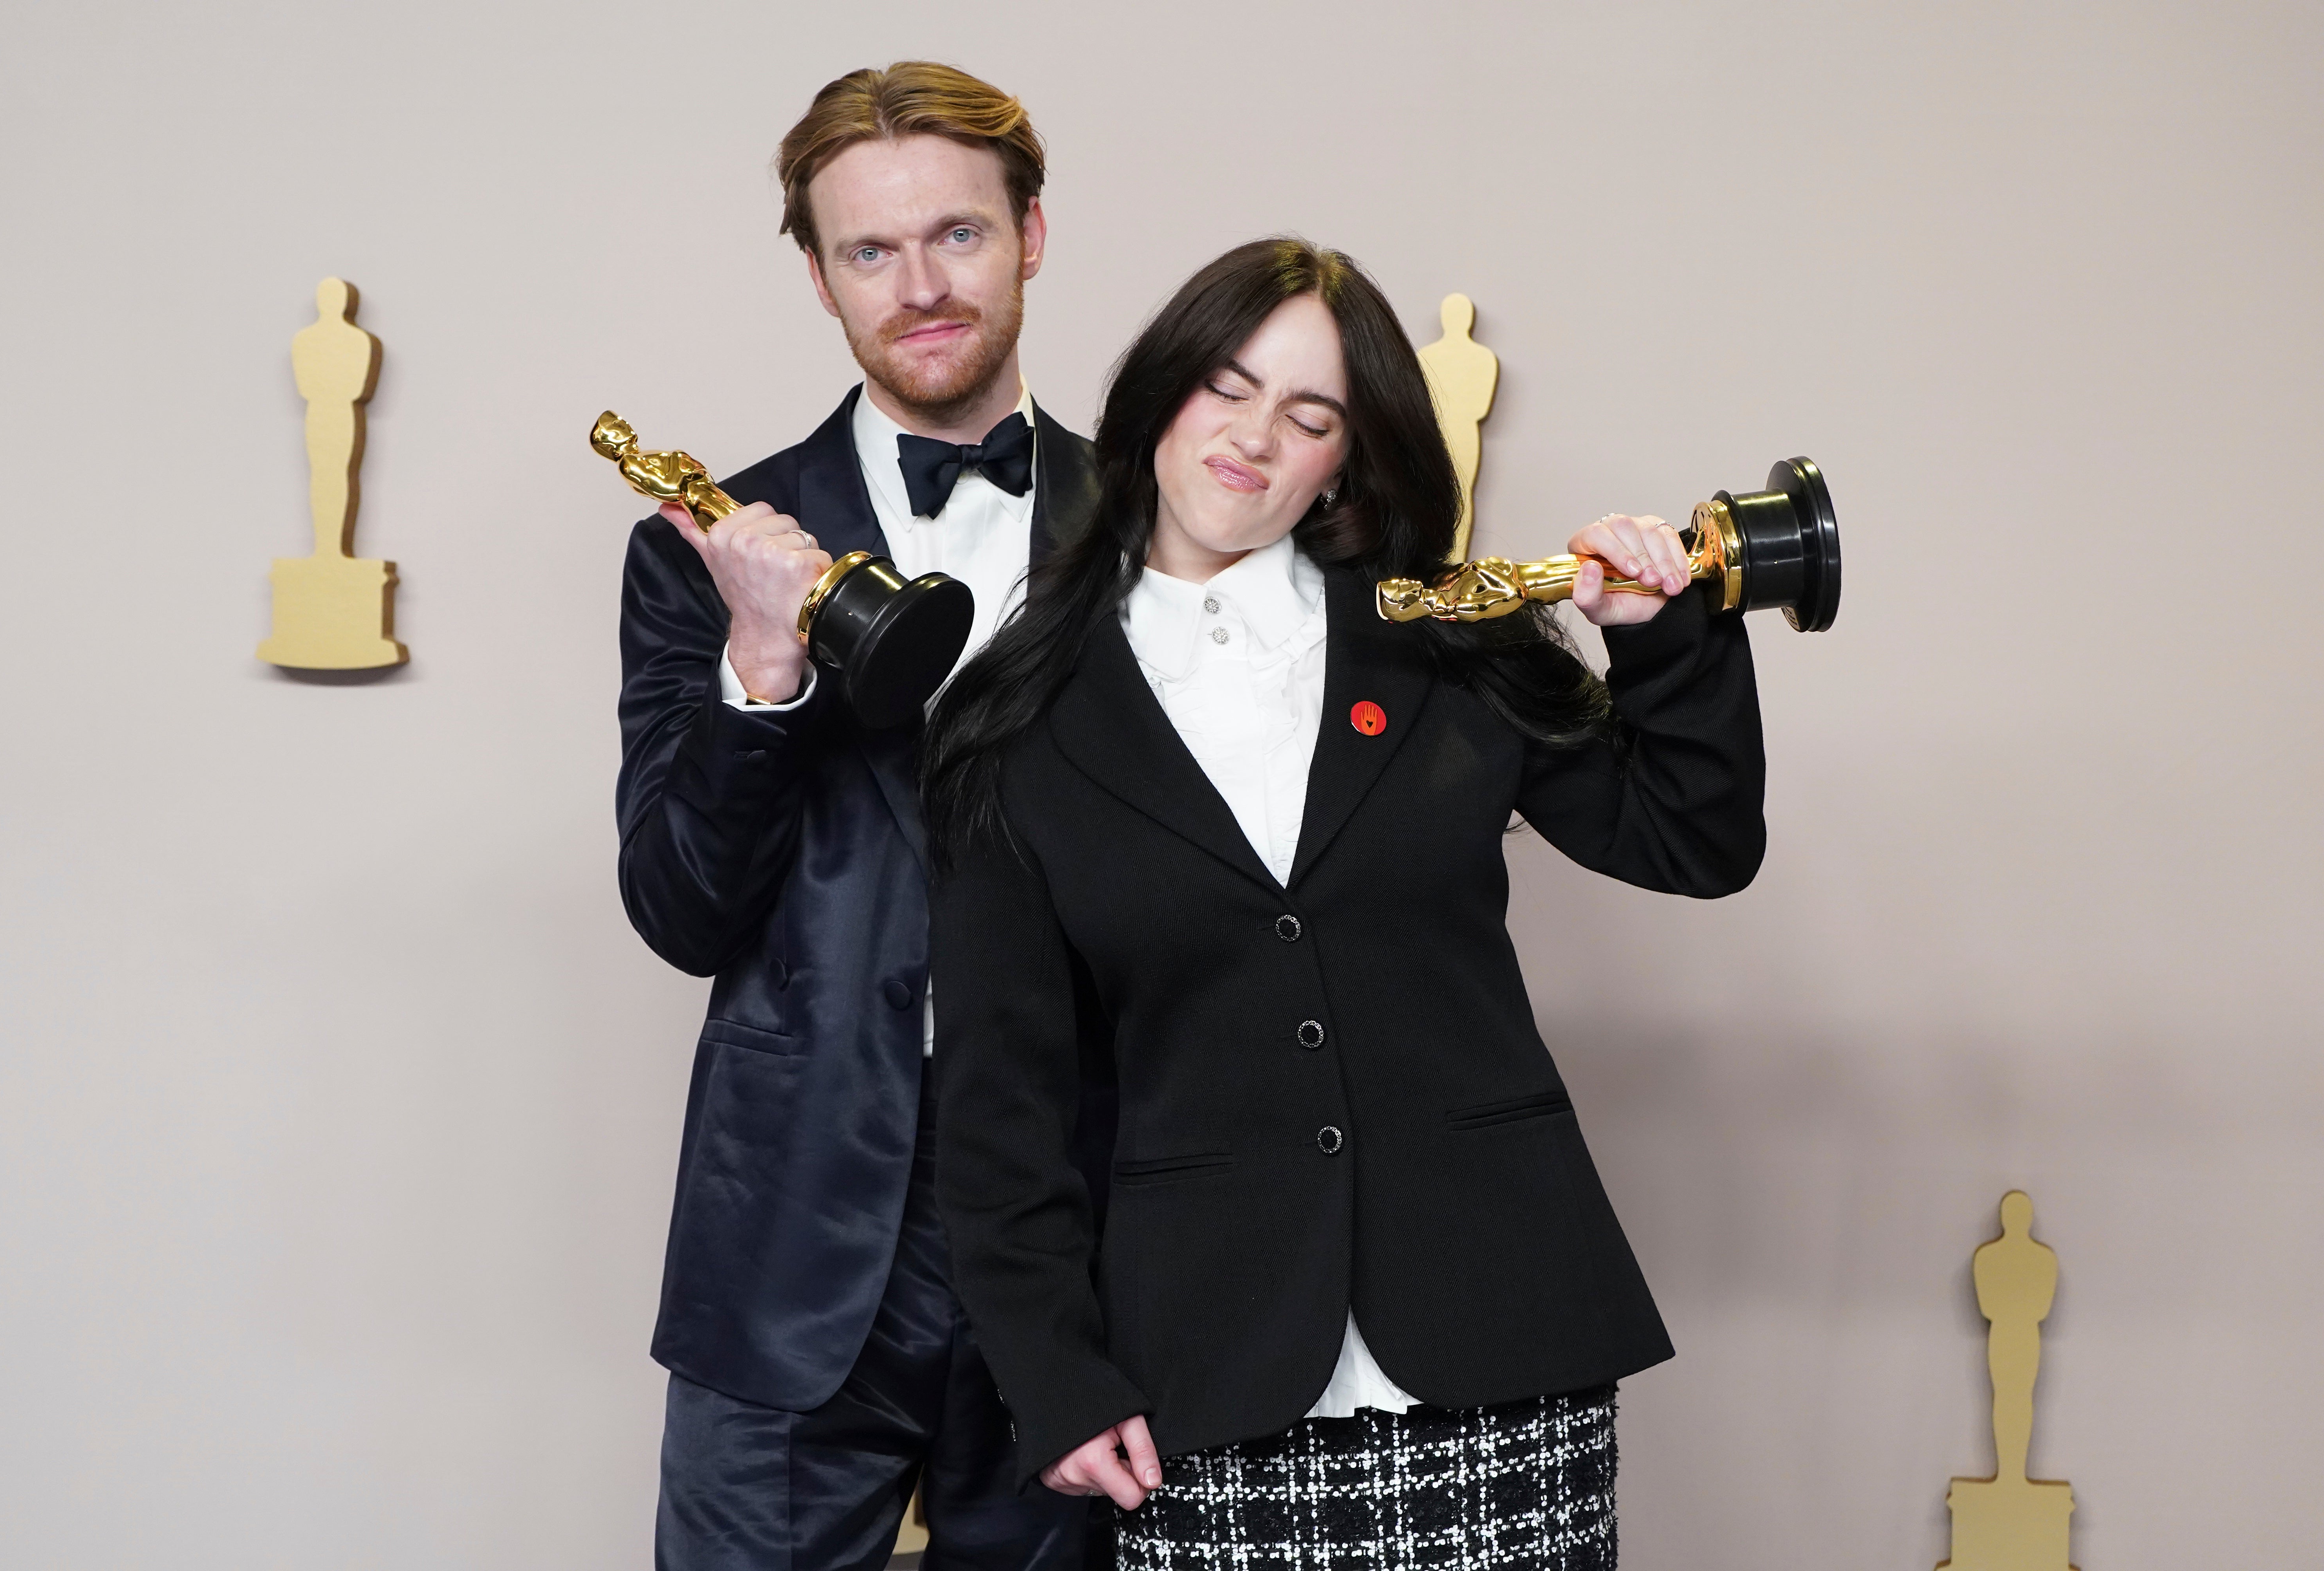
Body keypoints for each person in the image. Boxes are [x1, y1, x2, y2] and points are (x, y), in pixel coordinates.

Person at [922, 237, 1767, 1568]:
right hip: (1208, 1375)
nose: (1254, 437)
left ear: (1347, 459)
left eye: (1309, 415)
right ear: (1159, 398)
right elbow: (996, 1106)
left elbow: (1694, 839)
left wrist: (1663, 635)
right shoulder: (1011, 718)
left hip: (1500, 1353)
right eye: (1226, 386)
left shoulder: (1445, 637)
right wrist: (1056, 1379)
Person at [614, 61, 1101, 1570]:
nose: (921, 288)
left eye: (957, 234)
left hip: (1091, 1233)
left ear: (1032, 234)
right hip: (794, 1233)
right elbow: (682, 911)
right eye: (869, 252)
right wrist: (762, 666)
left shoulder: (1169, 539)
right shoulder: (703, 548)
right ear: (820, 280)